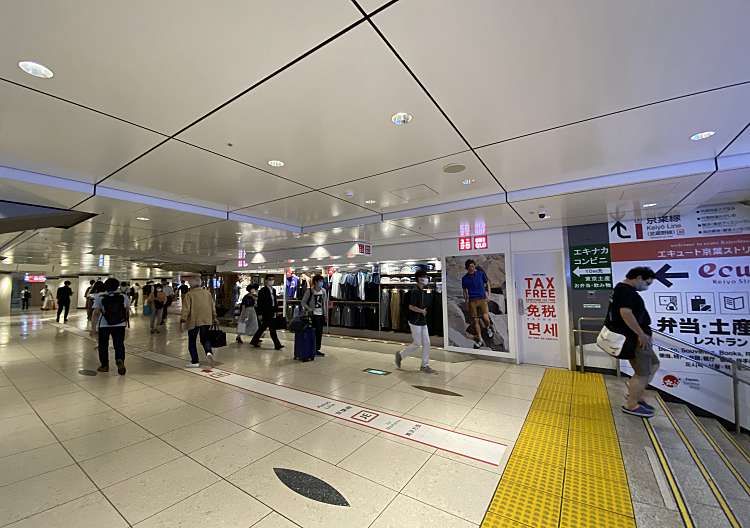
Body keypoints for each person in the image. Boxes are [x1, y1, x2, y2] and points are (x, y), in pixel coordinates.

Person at [607, 266, 659, 418]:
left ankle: (636, 394)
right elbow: (625, 312)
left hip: (637, 337)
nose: (646, 287)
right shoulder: (626, 291)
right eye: (647, 283)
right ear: (638, 278)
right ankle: (632, 404)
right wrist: (640, 333)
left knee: (654, 364)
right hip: (635, 339)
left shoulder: (622, 290)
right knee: (642, 372)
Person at [395, 270, 436, 373]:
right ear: (419, 279)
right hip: (414, 320)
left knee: (427, 343)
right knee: (417, 343)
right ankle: (400, 355)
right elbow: (411, 306)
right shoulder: (415, 291)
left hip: (422, 320)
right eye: (425, 277)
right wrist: (422, 311)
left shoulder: (422, 291)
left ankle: (424, 365)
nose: (426, 279)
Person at [91, 277, 130, 375]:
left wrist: (93, 328)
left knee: (103, 345)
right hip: (119, 324)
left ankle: (104, 366)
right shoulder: (123, 296)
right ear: (117, 286)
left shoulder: (100, 297)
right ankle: (120, 359)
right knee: (119, 344)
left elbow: (95, 313)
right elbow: (126, 310)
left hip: (104, 325)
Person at [180, 280, 218, 368]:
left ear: (191, 285)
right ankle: (208, 352)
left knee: (192, 341)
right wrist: (214, 317)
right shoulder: (207, 293)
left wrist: (183, 319)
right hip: (207, 320)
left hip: (194, 320)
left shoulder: (189, 294)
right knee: (205, 339)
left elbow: (186, 309)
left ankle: (195, 361)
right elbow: (212, 306)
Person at [462, 259, 495, 348]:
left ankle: (488, 328)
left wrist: (489, 295)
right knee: (476, 321)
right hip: (472, 301)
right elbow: (464, 291)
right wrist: (466, 302)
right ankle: (480, 339)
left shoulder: (480, 274)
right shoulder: (464, 278)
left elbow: (487, 282)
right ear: (467, 268)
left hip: (482, 299)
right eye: (469, 267)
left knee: (485, 318)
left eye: (473, 266)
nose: (472, 268)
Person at [250, 275, 284, 350]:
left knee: (263, 328)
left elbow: (274, 301)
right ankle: (277, 344)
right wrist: (260, 313)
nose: (271, 281)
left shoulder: (274, 290)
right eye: (269, 279)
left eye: (272, 279)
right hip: (266, 311)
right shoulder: (263, 290)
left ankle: (254, 341)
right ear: (266, 280)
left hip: (272, 311)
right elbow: (260, 303)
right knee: (272, 328)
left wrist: (277, 310)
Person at [301, 274, 327, 357]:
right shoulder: (310, 291)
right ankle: (312, 349)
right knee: (313, 332)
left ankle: (316, 349)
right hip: (313, 315)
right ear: (315, 282)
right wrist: (309, 309)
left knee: (319, 333)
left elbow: (325, 303)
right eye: (320, 281)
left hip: (321, 314)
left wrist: (325, 314)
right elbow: (303, 302)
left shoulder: (323, 291)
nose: (321, 283)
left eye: (322, 281)